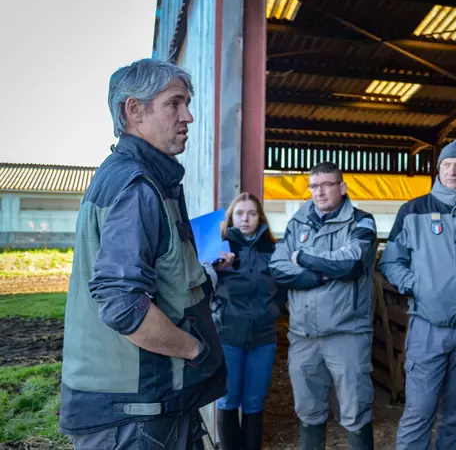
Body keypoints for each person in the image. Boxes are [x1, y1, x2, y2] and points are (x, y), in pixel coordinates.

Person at [59, 59, 230, 450]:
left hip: (144, 407)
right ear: (133, 110)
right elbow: (121, 303)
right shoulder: (136, 185)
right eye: (175, 103)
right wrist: (195, 351)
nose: (189, 115)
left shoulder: (143, 178)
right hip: (133, 414)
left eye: (188, 103)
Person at [379, 140, 456, 450]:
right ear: (438, 169)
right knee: (420, 411)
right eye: (447, 164)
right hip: (428, 329)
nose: (452, 170)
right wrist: (417, 285)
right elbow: (391, 261)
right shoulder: (412, 211)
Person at [269, 162, 377, 450]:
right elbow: (277, 268)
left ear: (342, 187)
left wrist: (302, 257)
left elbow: (352, 263)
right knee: (308, 410)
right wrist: (323, 274)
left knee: (356, 411)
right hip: (303, 337)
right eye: (314, 186)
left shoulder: (362, 222)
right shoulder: (297, 223)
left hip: (347, 334)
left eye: (327, 184)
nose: (319, 192)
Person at [212, 193, 285, 450]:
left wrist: (274, 309)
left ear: (259, 217)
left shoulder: (272, 249)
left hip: (263, 337)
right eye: (240, 213)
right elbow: (199, 283)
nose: (245, 219)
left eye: (252, 213)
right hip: (229, 335)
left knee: (254, 402)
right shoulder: (218, 248)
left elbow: (282, 285)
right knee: (229, 400)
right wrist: (217, 268)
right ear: (231, 217)